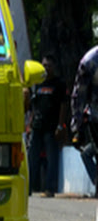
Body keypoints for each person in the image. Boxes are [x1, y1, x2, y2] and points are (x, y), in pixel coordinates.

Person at [27, 54, 67, 197]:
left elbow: (63, 106)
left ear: (54, 67)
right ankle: (29, 187)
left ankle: (50, 189)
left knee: (52, 159)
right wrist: (30, 124)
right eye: (44, 65)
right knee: (32, 158)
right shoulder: (38, 83)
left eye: (49, 65)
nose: (46, 68)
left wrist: (60, 126)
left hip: (51, 127)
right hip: (37, 126)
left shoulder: (59, 84)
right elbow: (34, 105)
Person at [70, 46, 98, 198]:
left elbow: (78, 97)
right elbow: (79, 96)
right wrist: (77, 126)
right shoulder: (90, 62)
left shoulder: (89, 60)